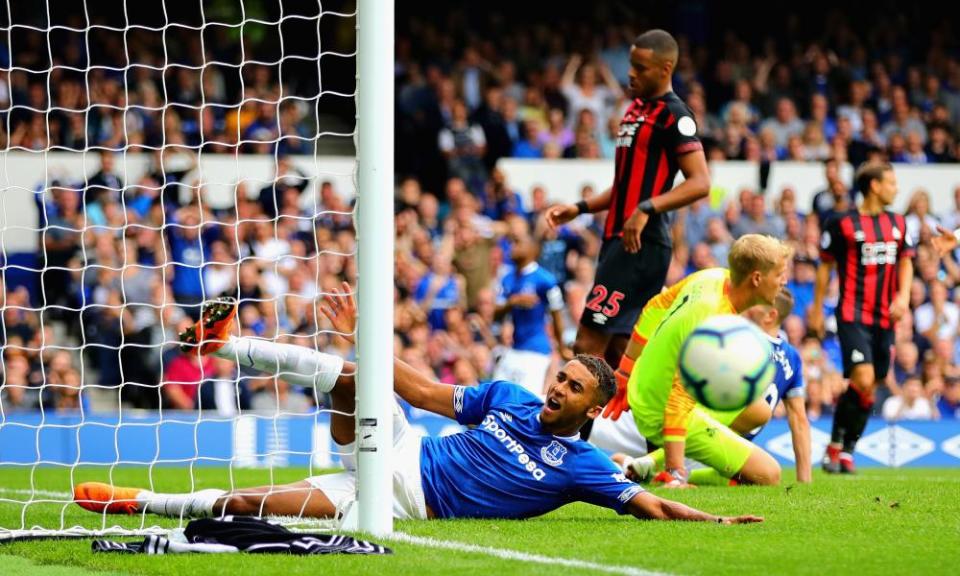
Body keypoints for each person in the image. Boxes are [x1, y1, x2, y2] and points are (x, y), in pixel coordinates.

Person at [73, 288, 762, 525]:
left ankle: (139, 502)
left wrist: (718, 517)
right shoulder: (509, 397)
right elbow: (423, 392)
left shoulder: (580, 465)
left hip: (403, 500)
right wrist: (360, 337)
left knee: (249, 506)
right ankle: (225, 344)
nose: (556, 389)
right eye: (559, 378)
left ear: (591, 407)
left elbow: (653, 507)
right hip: (402, 446)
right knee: (350, 378)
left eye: (572, 389)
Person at [545, 29, 710, 370]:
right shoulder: (634, 110)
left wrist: (647, 208)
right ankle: (646, 419)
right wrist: (579, 208)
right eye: (631, 65)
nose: (631, 73)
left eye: (641, 67)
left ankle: (575, 426)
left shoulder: (675, 116)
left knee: (587, 343)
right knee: (622, 351)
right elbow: (624, 185)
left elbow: (700, 183)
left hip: (640, 244)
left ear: (666, 69)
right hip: (618, 238)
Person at [605, 234, 791, 487]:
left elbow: (653, 307)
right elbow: (678, 398)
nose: (784, 281)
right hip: (659, 409)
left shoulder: (713, 276)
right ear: (757, 278)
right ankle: (670, 470)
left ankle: (645, 464)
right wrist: (676, 472)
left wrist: (625, 371)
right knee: (769, 475)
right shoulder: (712, 320)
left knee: (758, 410)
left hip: (646, 383)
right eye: (779, 274)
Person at [809, 162, 915, 474]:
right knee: (864, 378)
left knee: (871, 385)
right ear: (874, 186)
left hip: (886, 317)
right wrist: (816, 308)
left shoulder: (898, 223)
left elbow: (906, 263)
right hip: (852, 313)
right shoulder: (841, 223)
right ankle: (838, 447)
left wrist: (904, 296)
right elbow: (825, 267)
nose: (896, 188)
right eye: (891, 183)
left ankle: (842, 451)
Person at [493, 230, 573, 395]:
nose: (511, 248)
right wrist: (512, 302)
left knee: (525, 400)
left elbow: (556, 314)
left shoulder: (545, 280)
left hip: (536, 352)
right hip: (513, 348)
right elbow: (495, 315)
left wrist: (562, 346)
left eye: (517, 243)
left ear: (532, 249)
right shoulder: (507, 278)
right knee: (496, 397)